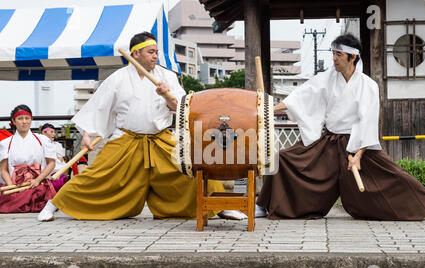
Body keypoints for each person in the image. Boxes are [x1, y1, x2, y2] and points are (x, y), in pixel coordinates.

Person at [38, 31, 243, 222]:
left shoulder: (167, 77)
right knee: (98, 174)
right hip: (127, 138)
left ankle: (220, 205)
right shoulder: (118, 79)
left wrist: (166, 95)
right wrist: (88, 134)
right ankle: (54, 203)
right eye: (150, 52)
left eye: (156, 52)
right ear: (136, 54)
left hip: (160, 138)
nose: (155, 56)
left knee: (191, 167)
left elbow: (181, 108)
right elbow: (100, 108)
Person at [255, 33, 425, 223]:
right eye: (333, 53)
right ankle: (262, 205)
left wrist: (358, 155)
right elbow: (300, 97)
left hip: (358, 143)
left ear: (353, 57)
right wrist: (269, 110)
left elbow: (368, 121)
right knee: (284, 158)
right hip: (330, 142)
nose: (334, 58)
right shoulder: (327, 78)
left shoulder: (368, 85)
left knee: (392, 174)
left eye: (339, 54)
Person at [0, 105, 57, 213]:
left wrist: (38, 180)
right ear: (14, 121)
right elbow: (3, 169)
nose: (24, 122)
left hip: (37, 182)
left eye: (27, 118)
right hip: (16, 184)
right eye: (20, 118)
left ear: (31, 120)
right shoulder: (5, 143)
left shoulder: (42, 140)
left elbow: (51, 163)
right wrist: (10, 186)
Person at [41, 123, 68, 191]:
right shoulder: (38, 144)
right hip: (42, 171)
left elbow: (60, 160)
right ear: (43, 133)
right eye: (51, 132)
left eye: (54, 132)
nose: (54, 134)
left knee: (59, 182)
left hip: (55, 171)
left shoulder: (57, 145)